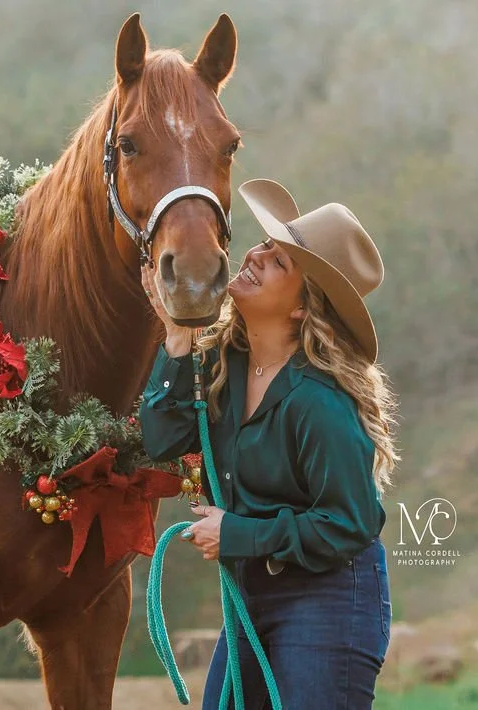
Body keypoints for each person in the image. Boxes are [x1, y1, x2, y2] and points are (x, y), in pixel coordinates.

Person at [139, 178, 399, 709]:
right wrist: (176, 338)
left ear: (304, 308)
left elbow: (350, 524)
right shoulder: (221, 364)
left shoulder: (319, 402)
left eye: (278, 261)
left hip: (329, 599)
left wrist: (237, 532)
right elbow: (162, 439)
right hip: (252, 594)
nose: (254, 255)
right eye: (264, 244)